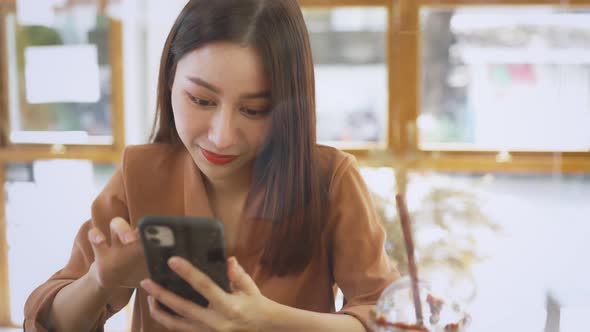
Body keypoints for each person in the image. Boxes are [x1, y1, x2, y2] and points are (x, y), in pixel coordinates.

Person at [24, 0, 399, 331]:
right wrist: (98, 281)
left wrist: (269, 322)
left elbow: (390, 320)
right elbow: (47, 321)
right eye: (202, 100)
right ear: (170, 79)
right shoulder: (140, 174)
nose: (222, 137)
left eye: (254, 110)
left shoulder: (329, 179)